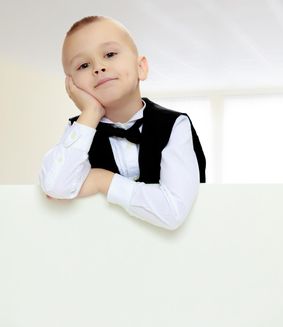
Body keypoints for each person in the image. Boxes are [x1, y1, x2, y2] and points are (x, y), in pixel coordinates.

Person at [39, 15, 206, 230]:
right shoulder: (79, 131)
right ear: (70, 85)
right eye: (83, 65)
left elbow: (173, 211)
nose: (98, 67)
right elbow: (54, 186)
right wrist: (90, 113)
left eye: (110, 54)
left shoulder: (174, 125)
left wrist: (102, 180)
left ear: (141, 67)